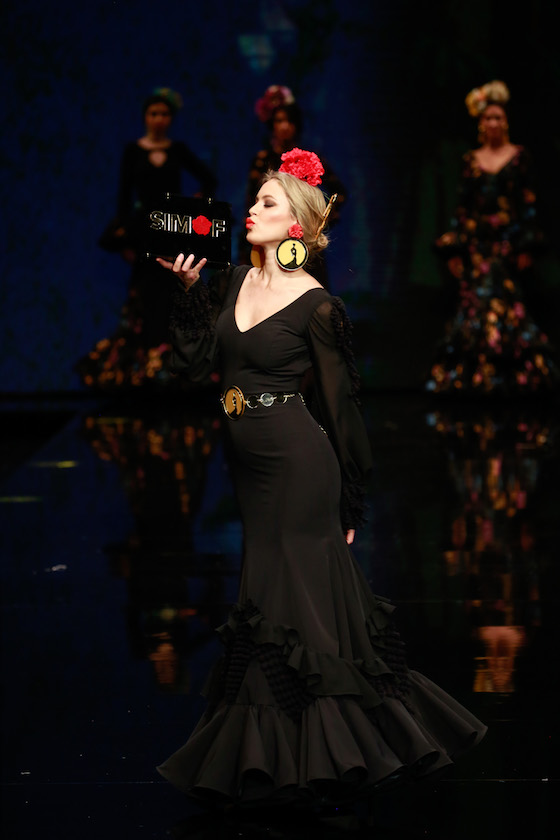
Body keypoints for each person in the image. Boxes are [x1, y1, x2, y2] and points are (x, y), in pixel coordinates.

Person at [156, 149, 486, 808]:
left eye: (268, 203)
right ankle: (289, 750)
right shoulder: (230, 282)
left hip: (300, 466)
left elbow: (341, 408)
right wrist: (189, 292)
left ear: (297, 228)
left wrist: (351, 497)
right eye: (255, 199)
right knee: (273, 599)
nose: (251, 210)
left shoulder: (317, 306)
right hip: (249, 467)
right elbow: (193, 368)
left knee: (289, 601)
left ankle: (323, 749)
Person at [78, 87, 217, 388]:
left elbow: (208, 178)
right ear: (145, 117)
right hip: (143, 233)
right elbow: (124, 196)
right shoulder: (134, 150)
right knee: (143, 294)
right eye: (154, 113)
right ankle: (145, 368)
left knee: (171, 290)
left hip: (171, 232)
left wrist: (193, 206)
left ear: (171, 118)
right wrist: (125, 239)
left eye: (164, 114)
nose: (159, 119)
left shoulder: (177, 149)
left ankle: (172, 365)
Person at [426, 80, 558, 395]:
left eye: (498, 117)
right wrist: (455, 250)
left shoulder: (519, 157)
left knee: (507, 304)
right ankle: (474, 381)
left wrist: (527, 245)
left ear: (506, 121)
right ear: (480, 123)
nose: (493, 123)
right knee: (476, 305)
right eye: (488, 118)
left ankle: (513, 380)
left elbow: (527, 204)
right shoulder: (471, 160)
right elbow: (463, 208)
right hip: (477, 245)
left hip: (509, 244)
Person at [239, 85, 346, 288]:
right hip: (267, 243)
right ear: (272, 124)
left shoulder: (307, 159)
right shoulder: (262, 160)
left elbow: (339, 193)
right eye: (279, 121)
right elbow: (250, 203)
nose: (284, 126)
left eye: (289, 121)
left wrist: (317, 219)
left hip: (300, 242)